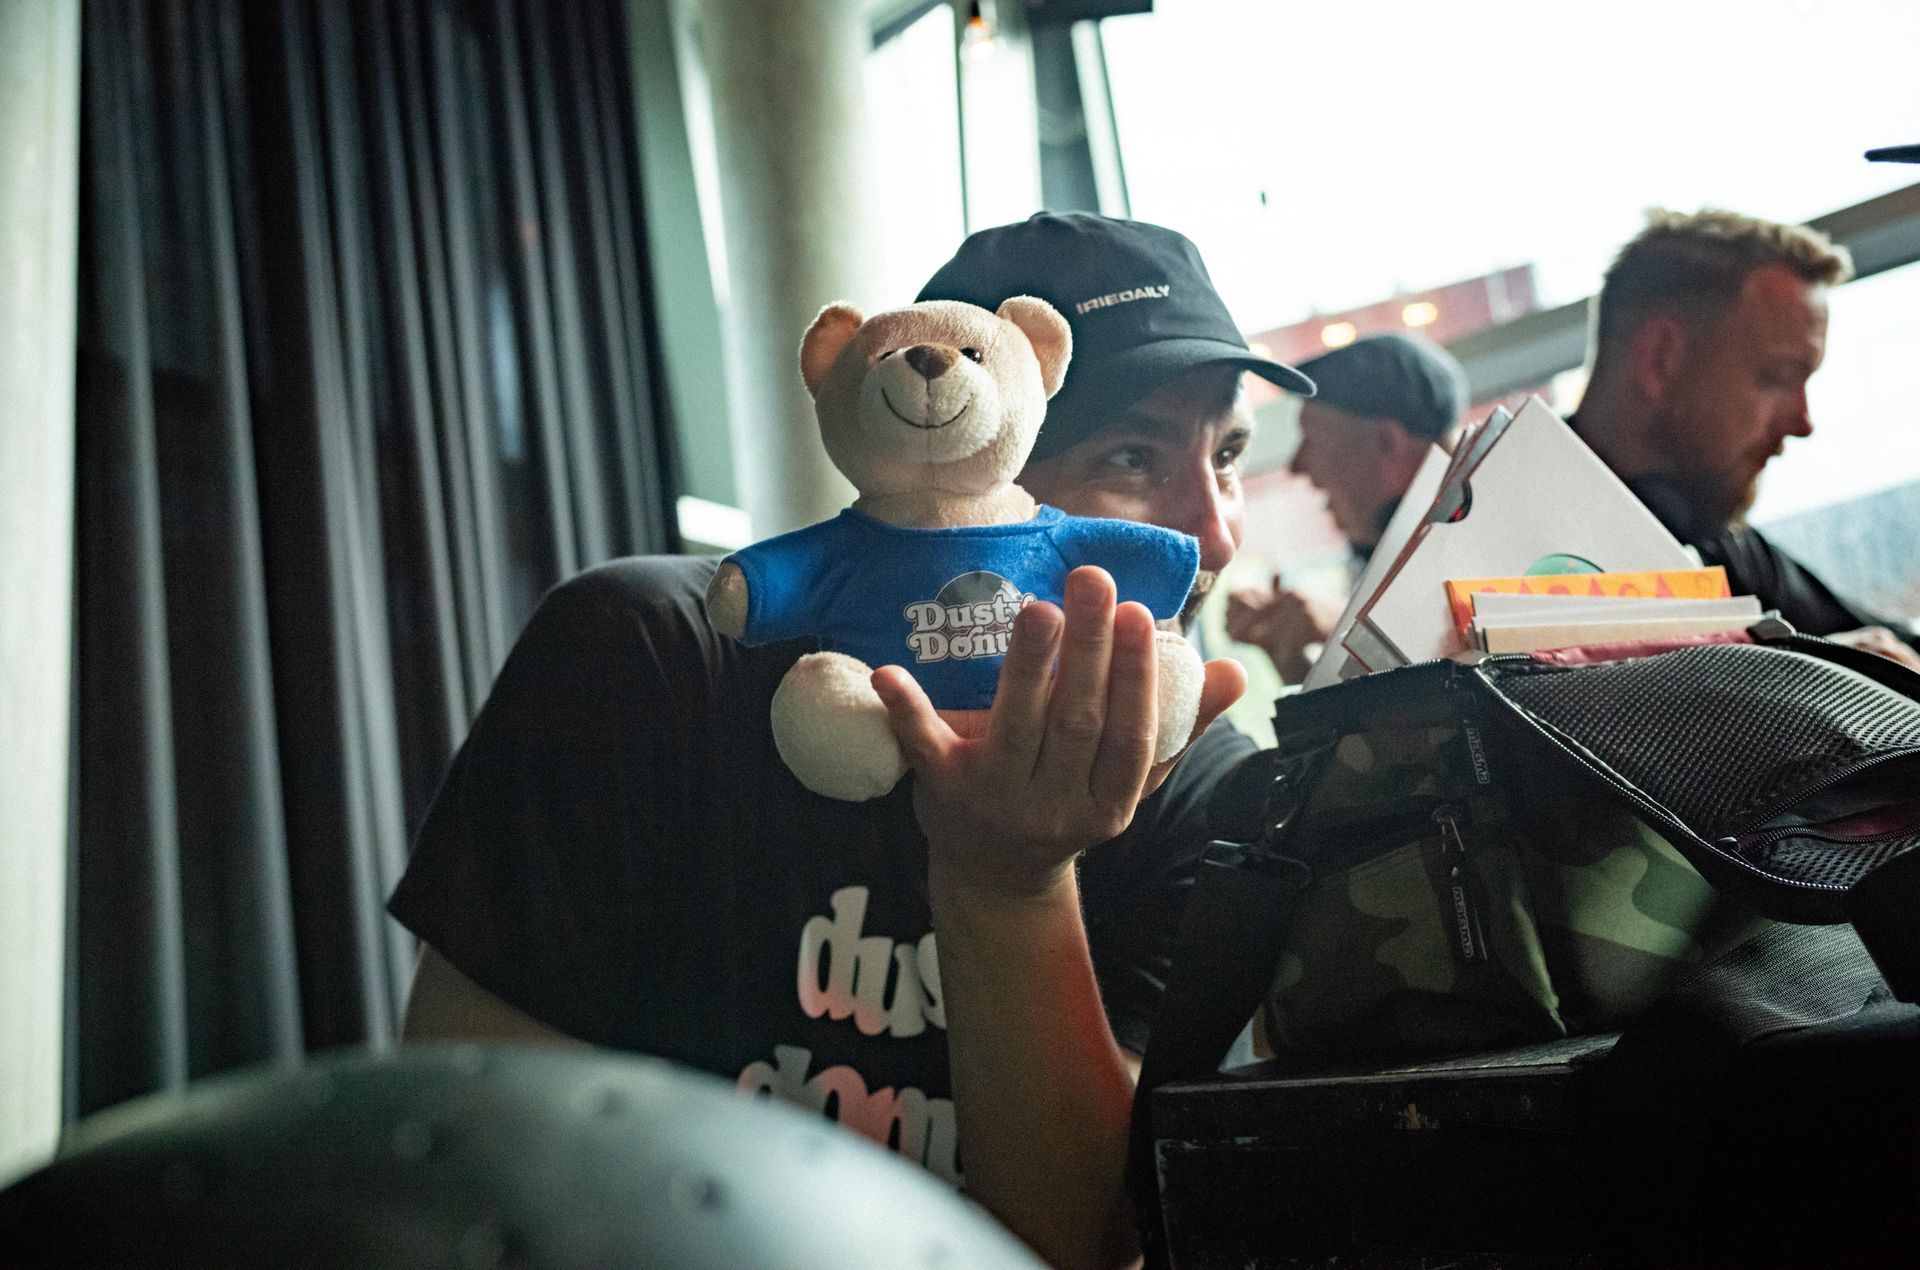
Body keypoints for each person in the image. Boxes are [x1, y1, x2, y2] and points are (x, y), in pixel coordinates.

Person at [389, 211, 1315, 1268]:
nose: (1215, 533)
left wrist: (1009, 885)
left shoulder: (1203, 789)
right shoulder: (651, 660)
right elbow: (470, 1136)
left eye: (1228, 454)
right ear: (959, 467)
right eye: (1133, 456)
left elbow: (1079, 1243)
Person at [1572, 207, 1920, 669]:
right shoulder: (1499, 553)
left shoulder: (1718, 540)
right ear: (1662, 358)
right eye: (1777, 377)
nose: (1802, 423)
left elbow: (1893, 645)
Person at [1226, 332, 1467, 681]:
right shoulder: (1386, 557)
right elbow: (1389, 714)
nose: (1297, 465)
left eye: (1312, 440)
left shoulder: (1503, 542)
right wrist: (1287, 653)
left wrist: (1349, 626)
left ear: (1386, 442)